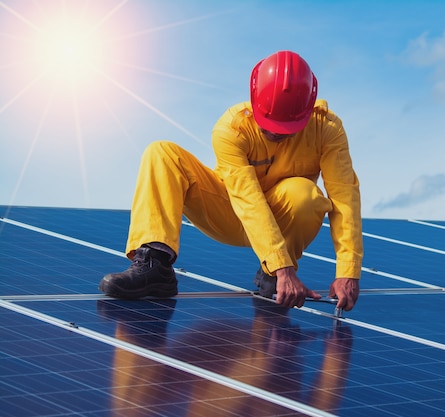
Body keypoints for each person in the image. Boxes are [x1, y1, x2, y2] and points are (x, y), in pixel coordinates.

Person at [99, 50, 363, 311]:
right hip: (229, 211)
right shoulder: (231, 128)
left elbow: (344, 199)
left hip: (284, 219)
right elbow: (247, 200)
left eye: (285, 129)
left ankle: (271, 278)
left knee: (306, 194)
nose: (273, 132)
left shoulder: (327, 129)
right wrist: (283, 268)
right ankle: (155, 266)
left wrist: (348, 272)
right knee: (161, 153)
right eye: (267, 124)